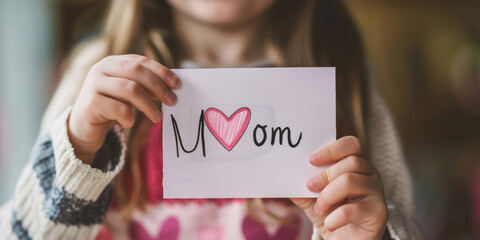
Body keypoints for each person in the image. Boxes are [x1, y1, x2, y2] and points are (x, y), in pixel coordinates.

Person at [0, 0, 422, 239]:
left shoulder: (345, 75)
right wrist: (80, 146)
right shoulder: (94, 76)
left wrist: (369, 235)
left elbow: (399, 220)